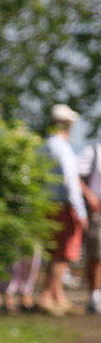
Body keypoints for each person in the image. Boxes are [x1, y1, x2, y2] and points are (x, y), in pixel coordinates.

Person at [39, 104, 89, 315]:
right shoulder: (62, 147)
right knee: (64, 254)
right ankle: (46, 297)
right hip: (63, 205)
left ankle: (59, 298)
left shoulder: (43, 146)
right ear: (67, 123)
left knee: (54, 253)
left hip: (46, 204)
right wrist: (81, 211)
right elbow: (70, 182)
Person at [78, 134, 101, 313]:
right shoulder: (92, 151)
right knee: (96, 254)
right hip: (97, 212)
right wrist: (89, 196)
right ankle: (95, 295)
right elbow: (74, 175)